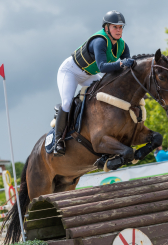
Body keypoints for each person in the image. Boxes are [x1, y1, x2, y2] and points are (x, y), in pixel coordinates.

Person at [54, 10, 135, 156]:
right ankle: (58, 140)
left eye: (121, 27)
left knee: (105, 95)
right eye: (115, 27)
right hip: (70, 71)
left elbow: (125, 71)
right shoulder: (100, 41)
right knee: (66, 102)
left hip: (88, 75)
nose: (118, 30)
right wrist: (122, 63)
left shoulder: (123, 46)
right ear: (106, 28)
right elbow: (103, 67)